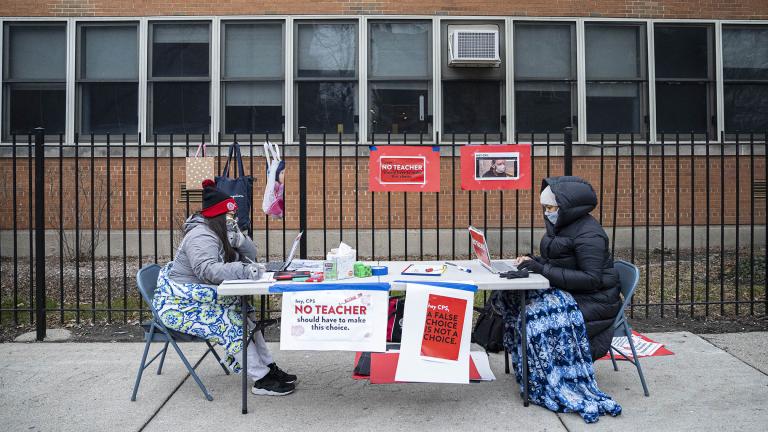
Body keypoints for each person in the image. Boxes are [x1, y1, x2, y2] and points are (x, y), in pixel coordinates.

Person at [492, 175, 622, 423]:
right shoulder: (564, 227)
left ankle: (546, 377)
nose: (547, 213)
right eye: (546, 208)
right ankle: (528, 367)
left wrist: (542, 270)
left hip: (594, 300)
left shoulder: (590, 235)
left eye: (551, 208)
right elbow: (560, 263)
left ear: (568, 207)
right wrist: (533, 262)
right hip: (572, 293)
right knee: (512, 299)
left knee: (533, 318)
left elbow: (591, 279)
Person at [153, 179, 297, 396]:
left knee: (246, 316)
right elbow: (208, 270)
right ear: (218, 217)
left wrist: (241, 240)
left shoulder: (219, 232)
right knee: (232, 321)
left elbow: (250, 256)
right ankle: (261, 379)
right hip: (180, 305)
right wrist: (243, 270)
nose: (234, 220)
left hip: (199, 299)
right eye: (230, 217)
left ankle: (268, 368)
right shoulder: (201, 236)